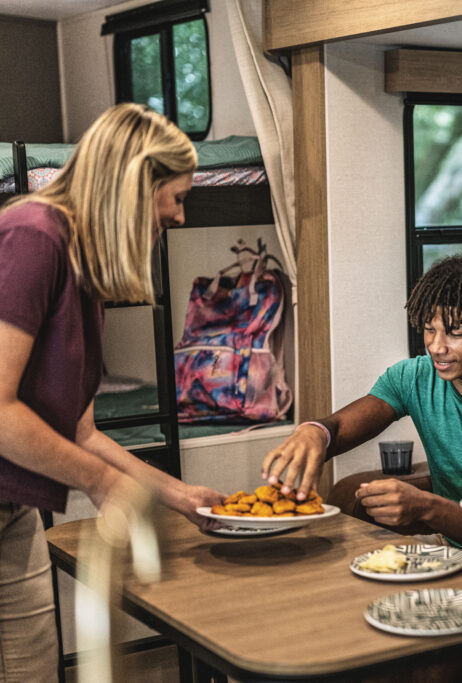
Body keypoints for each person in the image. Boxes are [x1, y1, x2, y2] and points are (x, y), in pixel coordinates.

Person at [0, 103, 225, 682]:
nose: (178, 215)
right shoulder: (32, 236)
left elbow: (81, 432)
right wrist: (103, 485)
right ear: (132, 185)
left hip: (11, 512)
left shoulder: (86, 266)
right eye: (175, 196)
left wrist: (179, 496)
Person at [261, 255, 462, 589]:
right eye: (429, 328)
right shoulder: (413, 377)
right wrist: (314, 432)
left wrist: (426, 508)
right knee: (350, 580)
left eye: (455, 333)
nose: (436, 347)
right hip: (455, 547)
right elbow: (339, 428)